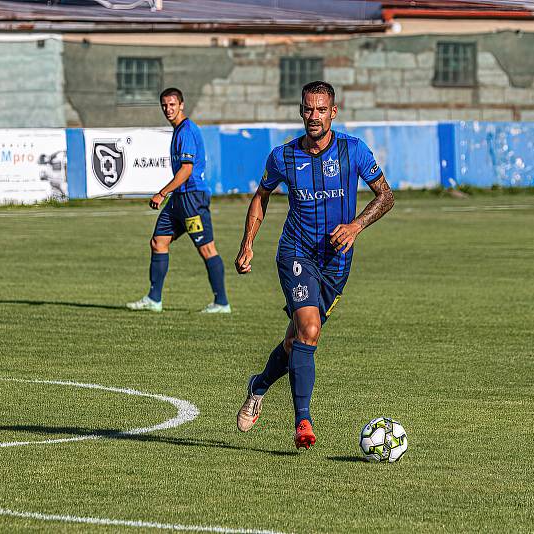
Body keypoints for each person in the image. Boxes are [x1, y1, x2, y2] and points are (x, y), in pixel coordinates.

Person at [234, 81, 395, 449]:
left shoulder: (353, 151)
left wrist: (356, 225)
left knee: (296, 341)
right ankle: (302, 421)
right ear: (300, 110)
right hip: (296, 253)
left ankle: (258, 386)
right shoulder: (283, 156)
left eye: (321, 109)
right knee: (309, 330)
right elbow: (262, 197)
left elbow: (386, 195)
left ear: (333, 112)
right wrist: (247, 244)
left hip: (336, 264)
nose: (314, 116)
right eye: (308, 109)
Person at [127, 87, 230, 313]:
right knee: (158, 242)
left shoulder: (186, 131)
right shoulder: (178, 130)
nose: (168, 109)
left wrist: (162, 192)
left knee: (206, 248)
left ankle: (221, 302)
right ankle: (154, 299)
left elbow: (186, 170)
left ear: (181, 105)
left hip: (192, 198)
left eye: (172, 104)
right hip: (179, 200)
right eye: (164, 105)